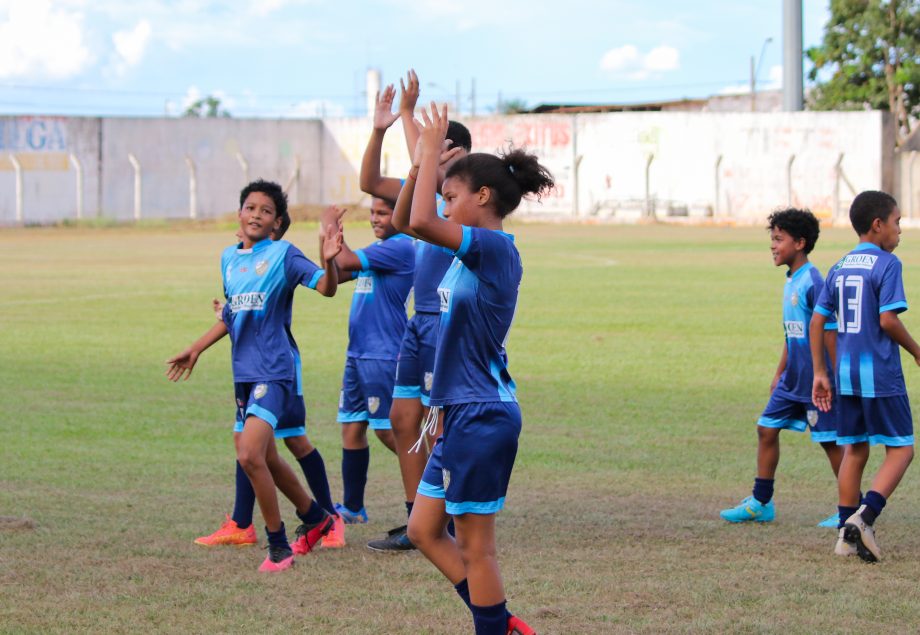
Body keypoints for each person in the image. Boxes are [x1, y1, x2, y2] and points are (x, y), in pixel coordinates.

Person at [400, 102, 547, 635]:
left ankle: (493, 625)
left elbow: (418, 219)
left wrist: (424, 154)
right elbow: (406, 221)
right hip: (460, 411)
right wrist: (421, 166)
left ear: (481, 197)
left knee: (476, 548)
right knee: (422, 530)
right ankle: (500, 621)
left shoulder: (493, 249)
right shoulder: (471, 253)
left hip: (483, 413)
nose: (444, 203)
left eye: (451, 195)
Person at [166, 179, 340, 572]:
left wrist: (328, 259)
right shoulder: (229, 258)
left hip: (274, 372)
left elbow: (327, 289)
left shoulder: (283, 255)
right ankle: (317, 518)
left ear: (277, 222)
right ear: (240, 214)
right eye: (250, 207)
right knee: (267, 460)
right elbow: (233, 314)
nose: (256, 215)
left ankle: (277, 546)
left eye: (265, 211)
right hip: (243, 374)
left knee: (249, 454)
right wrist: (196, 347)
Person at [359, 72, 472, 552]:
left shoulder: (464, 200)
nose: (436, 157)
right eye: (433, 149)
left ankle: (450, 518)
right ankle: (415, 522)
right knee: (403, 420)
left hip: (446, 325)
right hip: (416, 321)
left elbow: (424, 175)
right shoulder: (423, 190)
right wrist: (395, 120)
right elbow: (368, 182)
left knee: (440, 424)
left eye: (446, 150)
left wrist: (412, 124)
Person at [812, 190, 918, 563]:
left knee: (854, 449)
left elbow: (817, 319)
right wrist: (918, 352)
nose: (899, 230)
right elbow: (888, 319)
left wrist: (821, 372)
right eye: (897, 222)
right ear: (878, 225)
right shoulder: (888, 264)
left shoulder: (839, 265)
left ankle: (845, 535)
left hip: (845, 373)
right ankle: (865, 516)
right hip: (880, 374)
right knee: (902, 448)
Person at [720, 209, 842, 526]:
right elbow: (793, 333)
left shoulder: (814, 281)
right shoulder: (791, 280)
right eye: (772, 239)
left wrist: (831, 374)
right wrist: (779, 373)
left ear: (800, 243)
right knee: (766, 428)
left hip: (816, 382)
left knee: (830, 442)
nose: (773, 246)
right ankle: (761, 502)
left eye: (779, 239)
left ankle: (851, 510)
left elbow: (828, 331)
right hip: (792, 380)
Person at [322, 199, 415, 535]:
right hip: (358, 354)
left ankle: (435, 495)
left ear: (400, 215)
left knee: (390, 432)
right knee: (351, 428)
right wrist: (328, 251)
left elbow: (344, 258)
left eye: (383, 213)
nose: (375, 219)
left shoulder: (401, 247)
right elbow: (335, 271)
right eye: (372, 213)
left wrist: (329, 225)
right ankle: (354, 507)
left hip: (383, 355)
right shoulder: (378, 250)